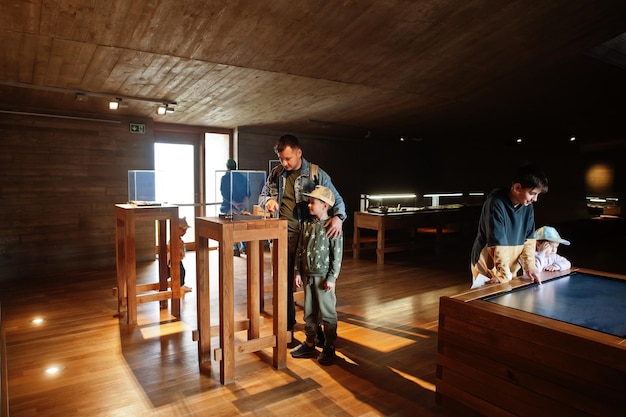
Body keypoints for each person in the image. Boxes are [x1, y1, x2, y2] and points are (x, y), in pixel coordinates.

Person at [259, 134, 346, 344]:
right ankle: (287, 330)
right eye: (281, 159)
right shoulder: (277, 173)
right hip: (283, 238)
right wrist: (268, 201)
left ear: (299, 153)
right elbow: (262, 196)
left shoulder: (316, 173)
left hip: (311, 239)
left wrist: (339, 218)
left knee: (314, 287)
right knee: (284, 285)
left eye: (288, 158)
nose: (284, 163)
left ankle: (318, 334)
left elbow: (337, 199)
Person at [470, 163, 549, 286]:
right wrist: (503, 274)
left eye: (538, 195)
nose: (535, 199)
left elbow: (529, 239)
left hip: (508, 269)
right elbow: (498, 242)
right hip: (488, 265)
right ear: (517, 187)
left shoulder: (528, 206)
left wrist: (530, 267)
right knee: (484, 302)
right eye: (533, 193)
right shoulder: (495, 203)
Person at [290, 185, 343, 365]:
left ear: (325, 205)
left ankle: (330, 346)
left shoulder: (333, 227)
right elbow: (300, 249)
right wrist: (298, 272)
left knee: (328, 313)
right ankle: (310, 342)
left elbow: (337, 254)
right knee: (310, 312)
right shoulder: (306, 225)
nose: (309, 206)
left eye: (313, 203)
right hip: (308, 275)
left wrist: (332, 277)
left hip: (324, 278)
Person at [220, 158, 250, 256]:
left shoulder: (225, 178)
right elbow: (247, 192)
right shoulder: (242, 177)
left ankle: (235, 247)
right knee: (242, 225)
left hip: (230, 206)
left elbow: (224, 194)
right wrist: (243, 204)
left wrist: (234, 204)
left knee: (232, 226)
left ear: (227, 167)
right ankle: (244, 246)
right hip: (241, 205)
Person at [168, 217, 192, 293]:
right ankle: (180, 285)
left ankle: (180, 284)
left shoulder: (178, 239)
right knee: (180, 271)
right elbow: (171, 248)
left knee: (176, 271)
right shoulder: (174, 239)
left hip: (177, 259)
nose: (184, 233)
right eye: (183, 230)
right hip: (173, 259)